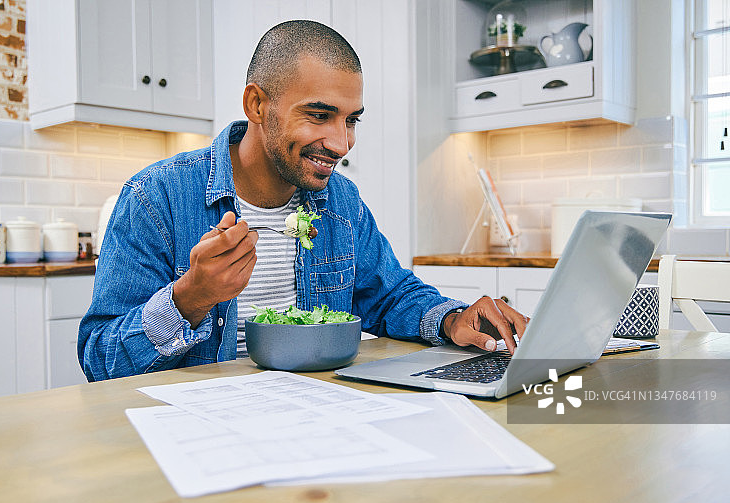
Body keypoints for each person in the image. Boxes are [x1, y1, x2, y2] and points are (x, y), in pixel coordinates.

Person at [78, 20, 528, 382]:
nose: (341, 143)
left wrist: (452, 320)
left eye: (351, 120)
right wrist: (190, 298)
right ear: (256, 104)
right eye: (319, 115)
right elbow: (99, 359)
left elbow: (388, 293)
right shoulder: (156, 198)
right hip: (197, 426)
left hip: (315, 412)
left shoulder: (339, 200)